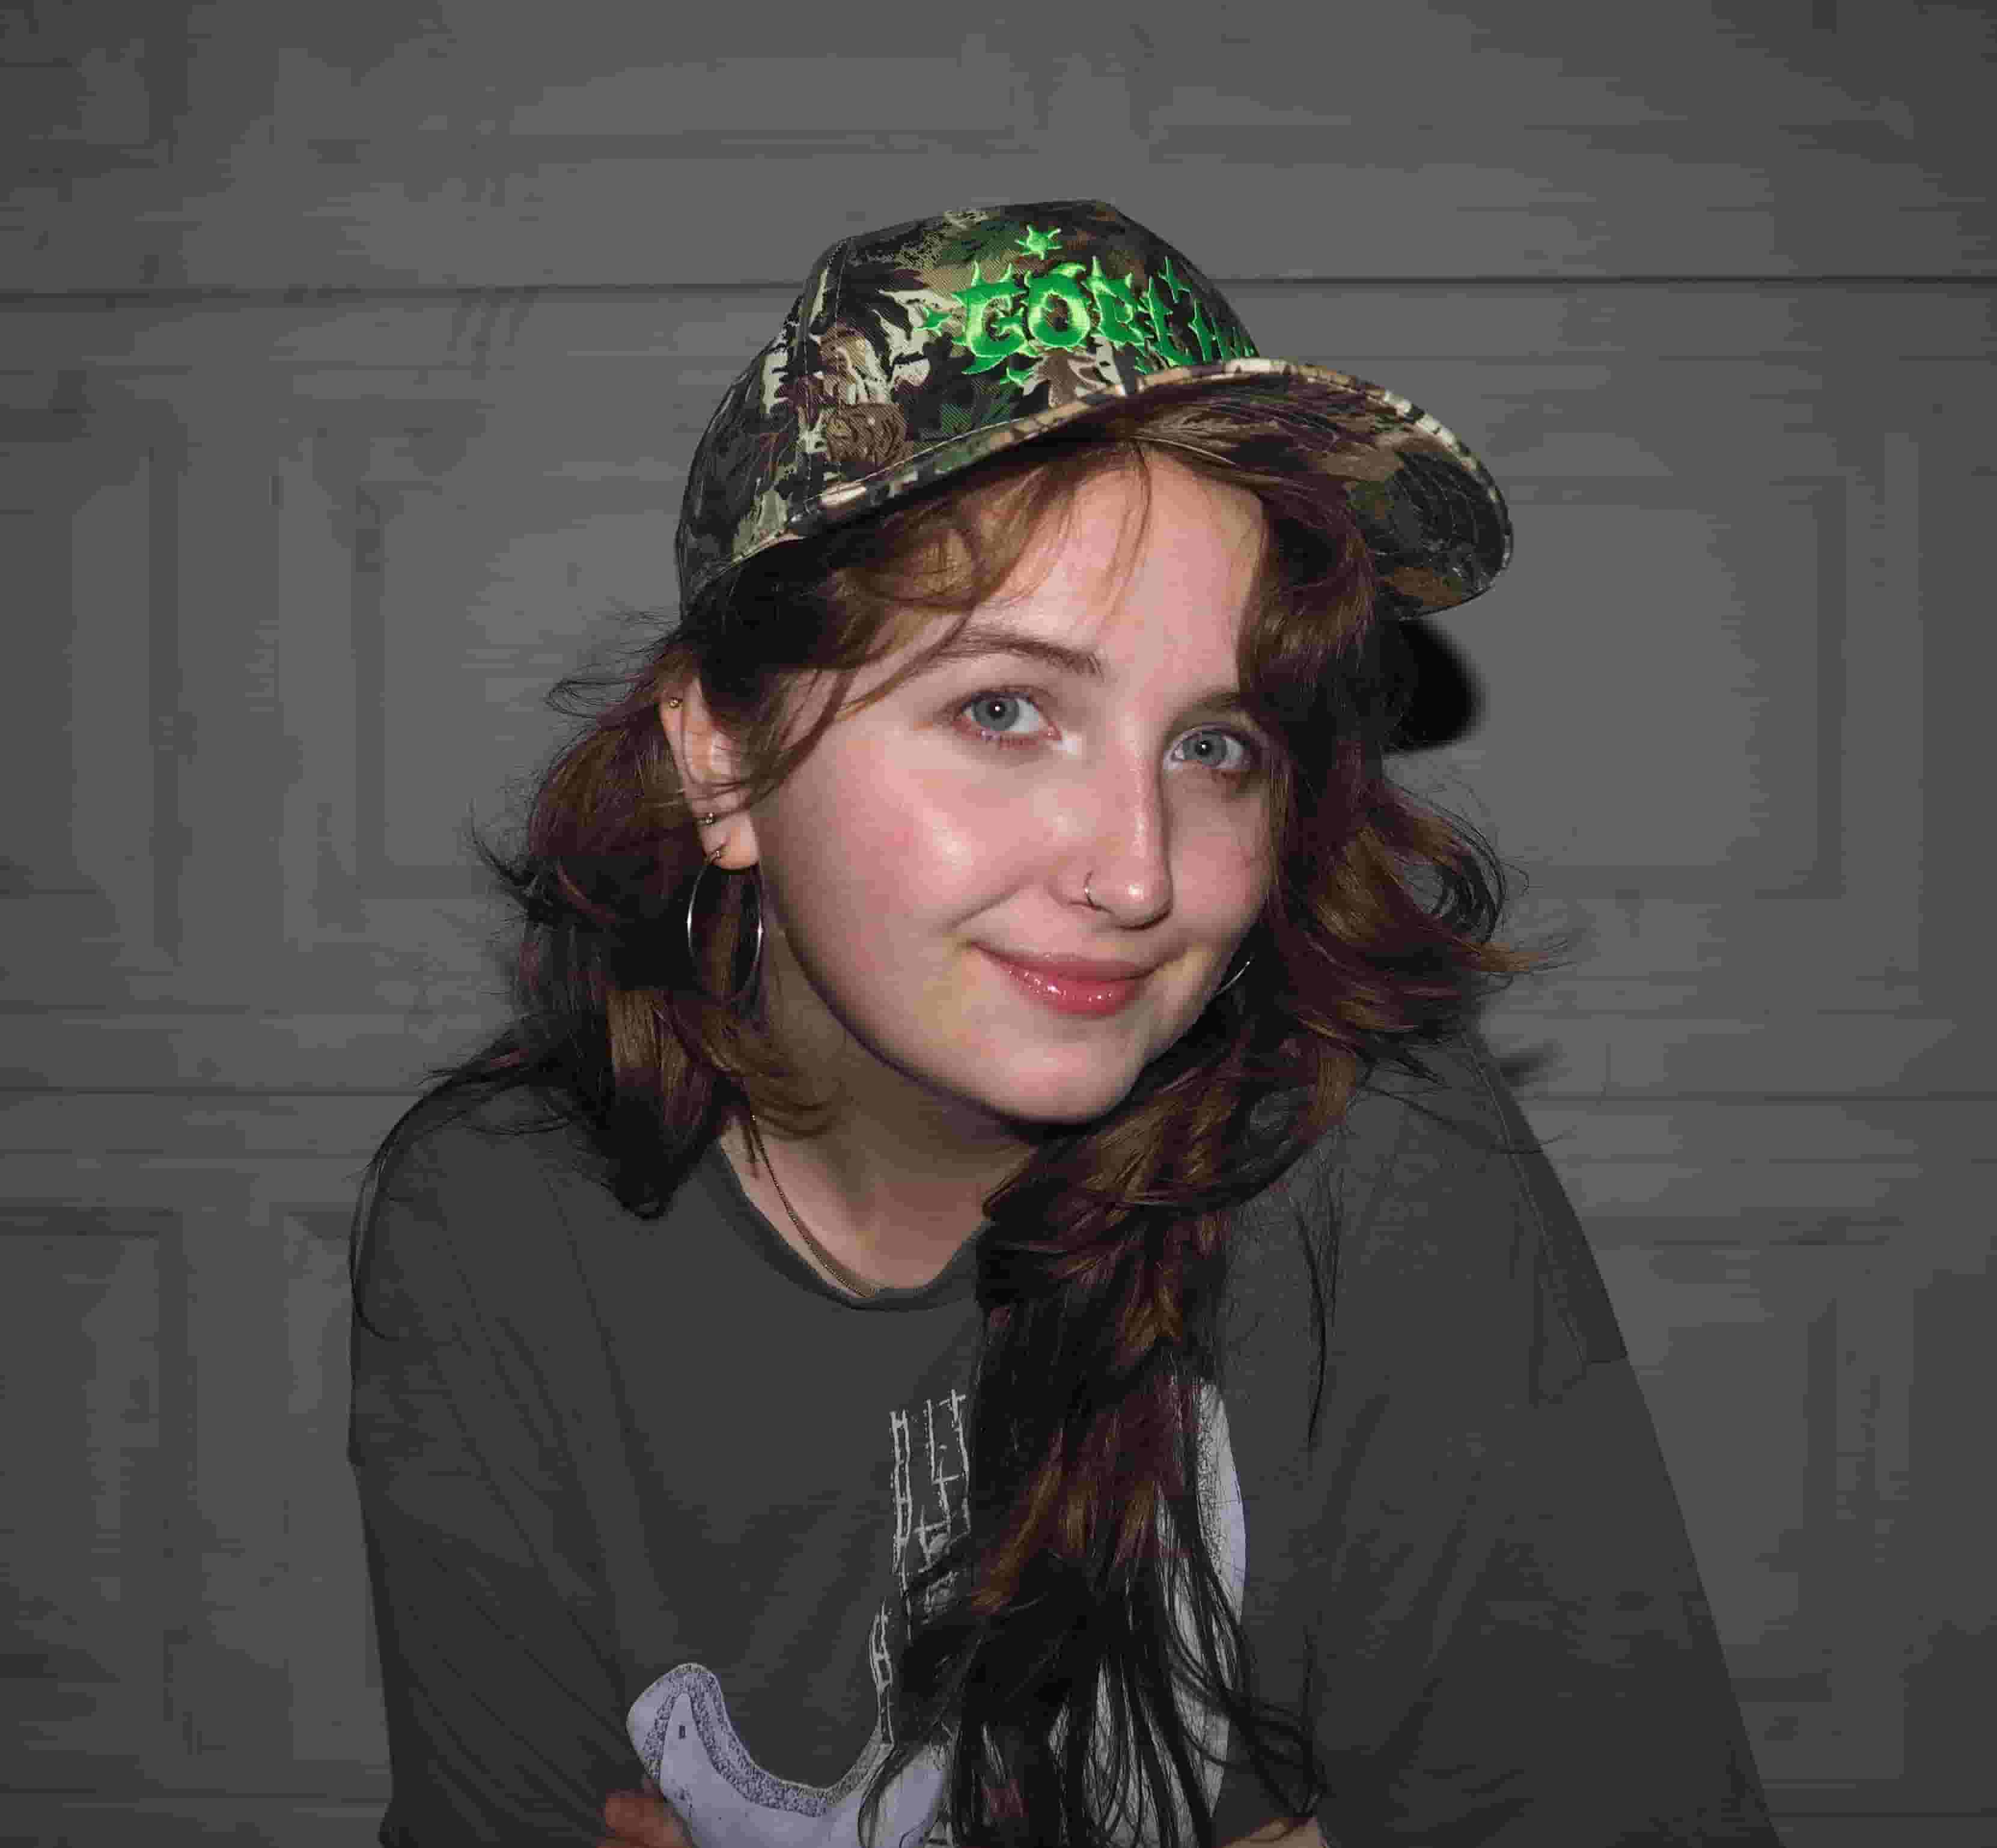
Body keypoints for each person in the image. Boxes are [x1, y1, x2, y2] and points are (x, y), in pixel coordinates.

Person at [347, 200, 1782, 1848]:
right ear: (720, 758)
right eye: (1004, 708)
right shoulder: (503, 1213)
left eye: (1216, 745)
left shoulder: (1367, 1158)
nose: (1140, 872)